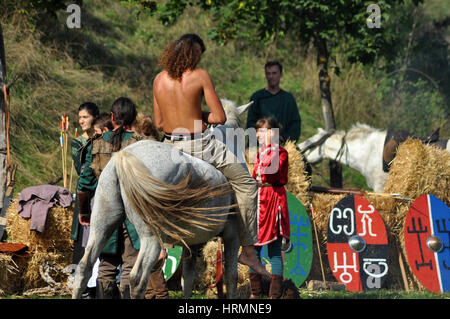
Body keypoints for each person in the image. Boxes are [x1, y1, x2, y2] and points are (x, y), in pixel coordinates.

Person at [153, 33, 270, 279]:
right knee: (247, 184)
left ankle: (160, 245)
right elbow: (220, 118)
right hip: (198, 144)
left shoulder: (158, 79)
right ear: (194, 54)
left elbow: (160, 122)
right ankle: (249, 250)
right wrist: (199, 114)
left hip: (169, 146)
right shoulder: (200, 75)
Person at [77, 97, 167, 299]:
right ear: (134, 118)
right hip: (133, 215)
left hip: (105, 211)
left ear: (112, 116)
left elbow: (84, 184)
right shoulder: (142, 144)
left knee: (106, 265)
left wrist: (84, 211)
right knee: (130, 264)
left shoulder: (97, 143)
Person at [249, 117, 290, 299]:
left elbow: (270, 174)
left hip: (273, 201)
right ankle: (255, 294)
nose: (259, 134)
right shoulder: (259, 153)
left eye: (263, 131)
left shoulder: (280, 153)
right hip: (258, 202)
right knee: (254, 249)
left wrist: (270, 150)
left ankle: (274, 295)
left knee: (274, 249)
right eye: (258, 131)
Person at [70, 102, 99, 299]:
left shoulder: (103, 138)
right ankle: (83, 284)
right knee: (83, 236)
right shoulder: (77, 142)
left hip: (101, 191)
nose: (81, 121)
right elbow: (79, 169)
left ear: (94, 118)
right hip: (85, 191)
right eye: (80, 117)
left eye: (85, 117)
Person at [246, 61, 301, 143]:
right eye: (268, 73)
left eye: (274, 73)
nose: (271, 76)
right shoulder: (257, 97)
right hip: (261, 144)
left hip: (283, 144)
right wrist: (263, 136)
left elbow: (295, 124)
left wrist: (283, 138)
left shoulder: (288, 99)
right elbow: (251, 123)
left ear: (281, 75)